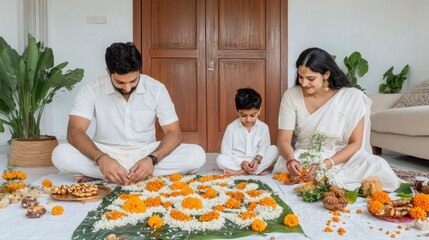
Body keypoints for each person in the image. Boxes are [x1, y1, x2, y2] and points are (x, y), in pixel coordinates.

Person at [52, 42, 206, 185]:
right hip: (105, 152)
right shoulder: (92, 89)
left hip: (146, 153)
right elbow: (74, 131)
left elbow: (174, 133)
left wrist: (152, 159)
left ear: (139, 70)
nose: (127, 88)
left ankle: (108, 174)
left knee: (196, 155)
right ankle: (119, 171)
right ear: (108, 72)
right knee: (60, 154)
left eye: (133, 81)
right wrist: (101, 159)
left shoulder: (156, 89)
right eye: (120, 82)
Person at [272, 47, 402, 191]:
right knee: (289, 163)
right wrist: (291, 160)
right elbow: (283, 139)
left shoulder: (352, 97)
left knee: (380, 168)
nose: (304, 83)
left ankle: (328, 178)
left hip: (342, 158)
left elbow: (355, 143)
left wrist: (326, 164)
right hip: (305, 156)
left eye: (311, 78)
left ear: (326, 74)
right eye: (300, 77)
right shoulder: (291, 95)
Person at [216, 88, 278, 176]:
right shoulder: (231, 128)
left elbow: (264, 148)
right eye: (243, 115)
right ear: (237, 111)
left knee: (274, 150)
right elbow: (226, 151)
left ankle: (240, 172)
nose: (248, 120)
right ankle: (255, 171)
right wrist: (241, 162)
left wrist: (257, 160)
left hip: (255, 161)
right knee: (220, 159)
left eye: (253, 115)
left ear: (259, 110)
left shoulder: (263, 127)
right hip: (237, 161)